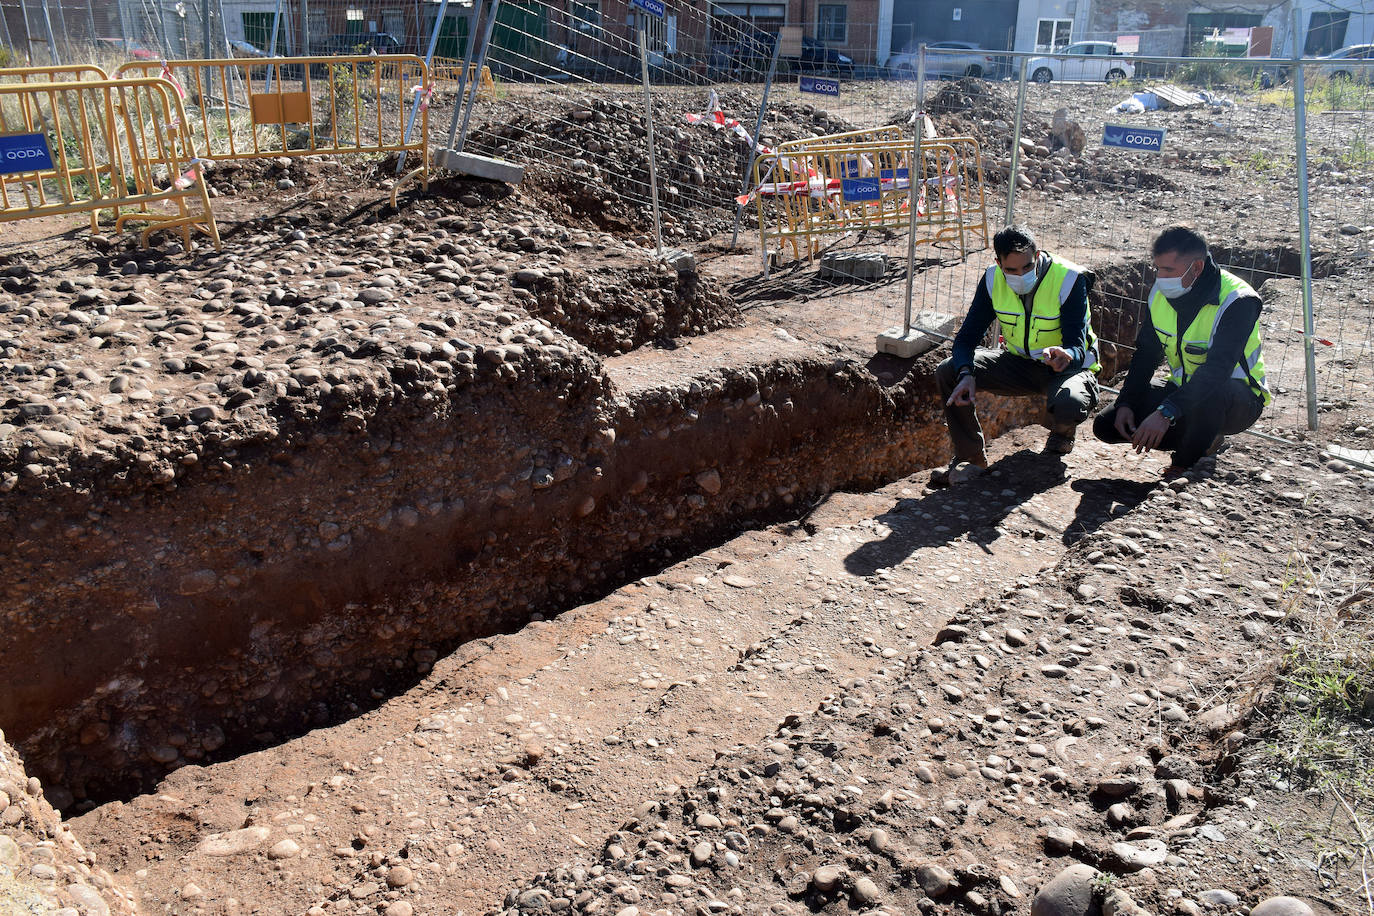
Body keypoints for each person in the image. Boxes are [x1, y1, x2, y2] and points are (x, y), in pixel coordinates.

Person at [1093, 226, 1270, 477]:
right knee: (1107, 426)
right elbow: (1146, 354)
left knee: (1214, 394)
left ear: (1196, 268)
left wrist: (1166, 413)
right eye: (1157, 269)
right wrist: (1126, 402)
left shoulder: (1238, 300)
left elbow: (1218, 370)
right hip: (1185, 392)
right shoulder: (1160, 293)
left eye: (1168, 270)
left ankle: (1185, 462)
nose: (1160, 277)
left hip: (1235, 400)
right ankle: (1202, 437)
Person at [933, 225, 1100, 484]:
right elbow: (966, 339)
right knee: (948, 370)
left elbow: (1078, 347)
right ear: (998, 262)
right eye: (1011, 270)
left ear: (1038, 255)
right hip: (1018, 365)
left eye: (1027, 267)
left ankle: (1061, 436)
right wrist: (966, 373)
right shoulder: (992, 280)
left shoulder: (1068, 279)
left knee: (1071, 402)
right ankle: (970, 459)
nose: (1021, 275)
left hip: (1066, 369)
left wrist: (1065, 355)